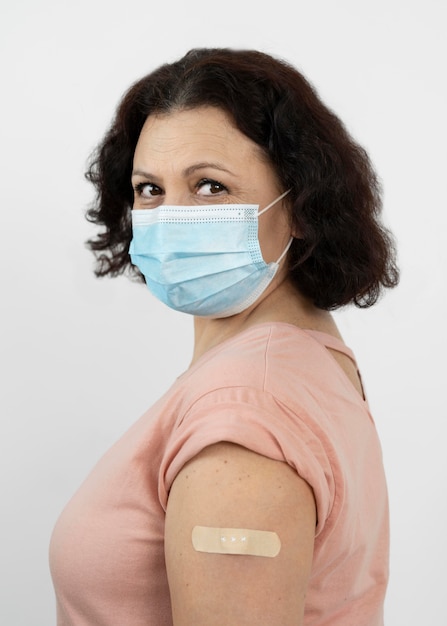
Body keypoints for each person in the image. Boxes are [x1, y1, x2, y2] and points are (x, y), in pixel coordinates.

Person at [49, 47, 399, 625]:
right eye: (149, 189)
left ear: (301, 205)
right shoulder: (309, 360)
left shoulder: (247, 414)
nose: (170, 216)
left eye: (211, 187)